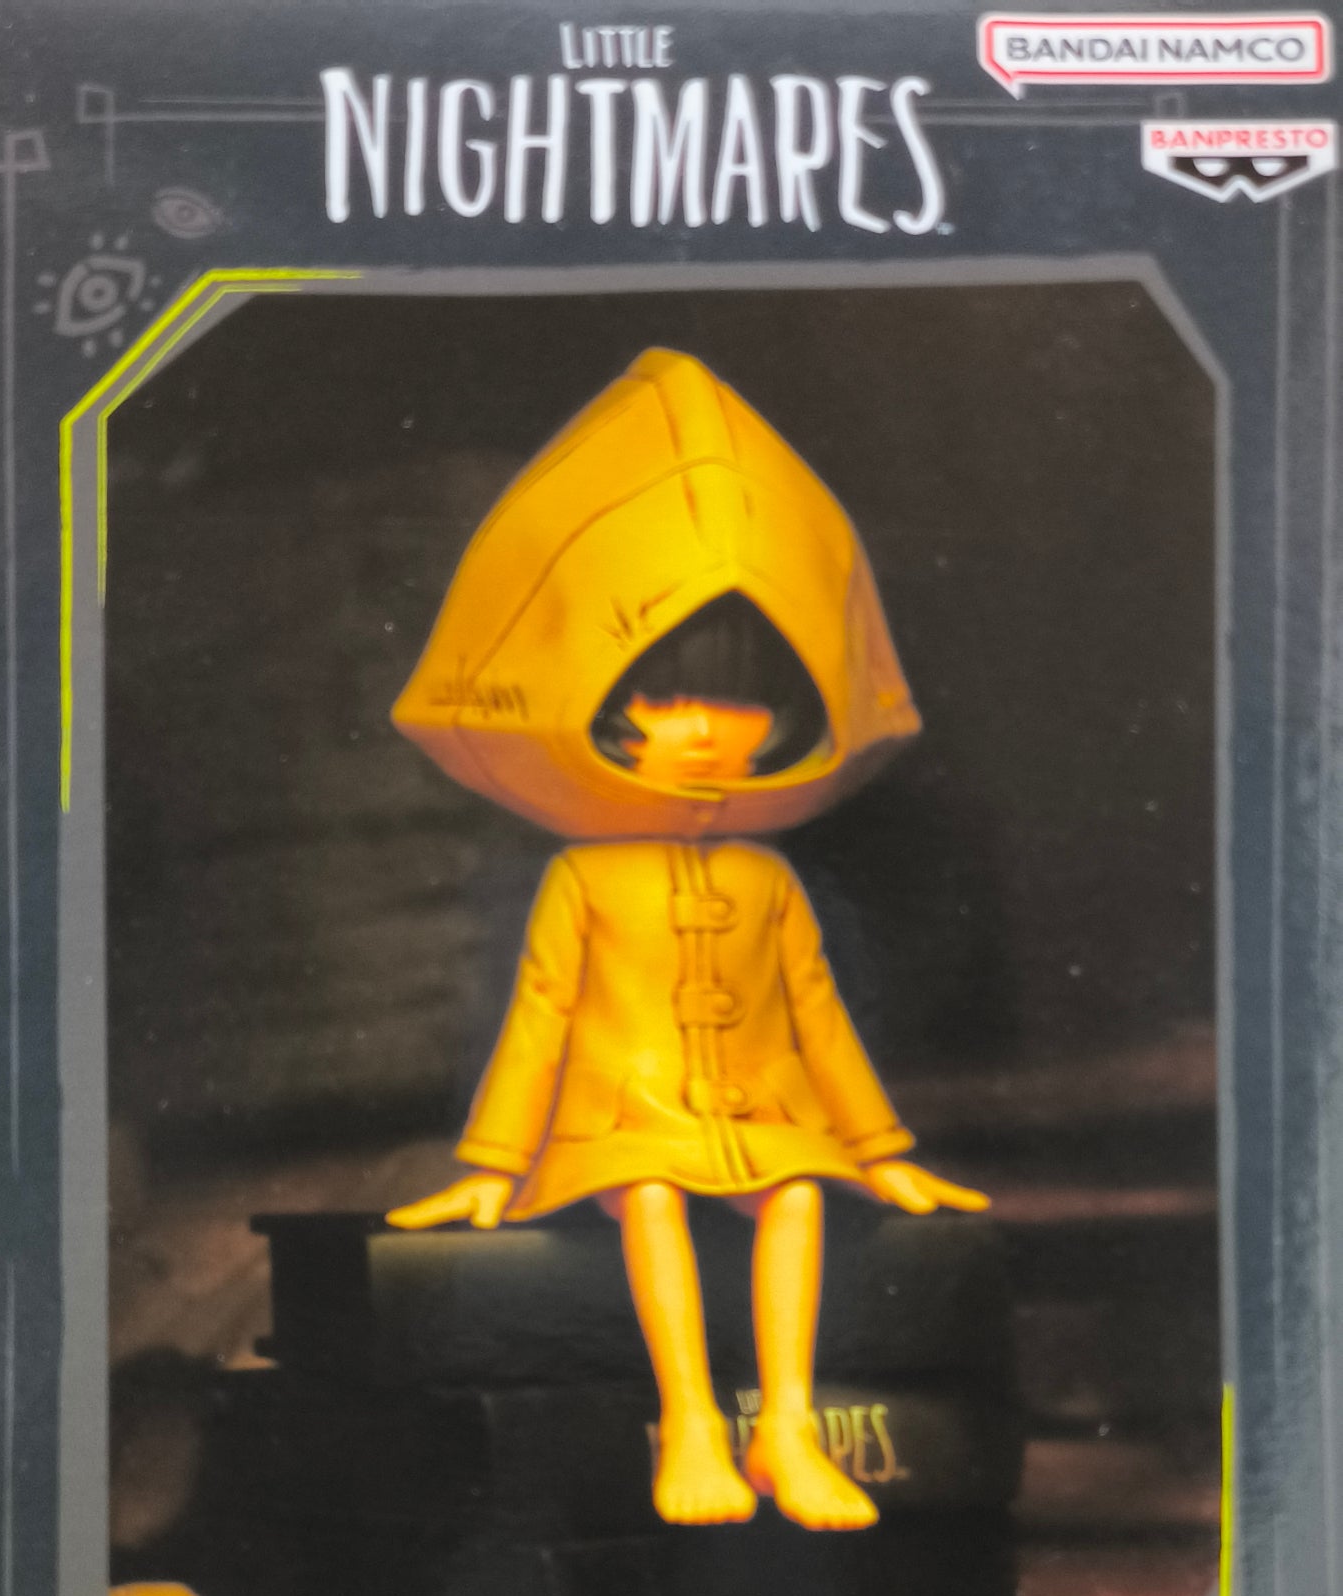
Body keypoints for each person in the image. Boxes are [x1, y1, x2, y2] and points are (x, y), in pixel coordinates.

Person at [386, 348, 987, 1531]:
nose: (708, 729)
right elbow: (541, 1014)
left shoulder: (766, 876)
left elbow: (815, 1012)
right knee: (651, 1195)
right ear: (610, 705)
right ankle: (694, 1422)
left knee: (799, 1198)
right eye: (664, 698)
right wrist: (495, 1162)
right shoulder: (583, 876)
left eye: (743, 700)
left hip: (761, 1115)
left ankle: (789, 1425)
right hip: (625, 1121)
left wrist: (877, 1146)